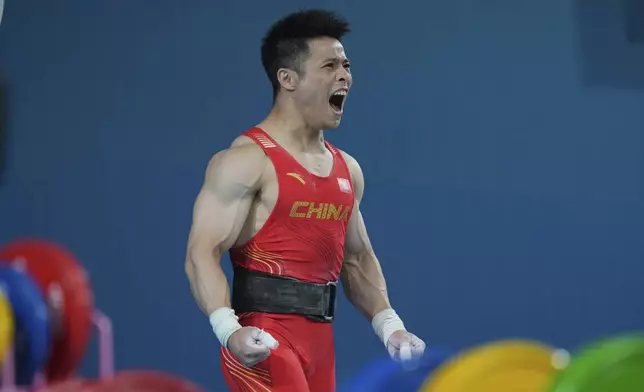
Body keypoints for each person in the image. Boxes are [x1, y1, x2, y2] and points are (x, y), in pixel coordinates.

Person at [184, 9, 426, 392]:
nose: (344, 75)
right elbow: (201, 253)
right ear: (288, 79)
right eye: (329, 65)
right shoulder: (246, 161)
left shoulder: (348, 170)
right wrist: (229, 330)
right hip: (263, 342)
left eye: (346, 64)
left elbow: (357, 259)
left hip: (320, 345)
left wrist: (390, 327)